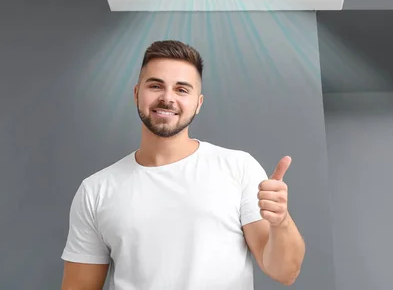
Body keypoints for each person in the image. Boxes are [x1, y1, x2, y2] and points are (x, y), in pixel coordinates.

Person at [60, 40, 305, 290]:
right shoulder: (95, 190)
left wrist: (281, 222)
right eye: (156, 85)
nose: (167, 98)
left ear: (198, 104)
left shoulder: (238, 168)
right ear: (136, 94)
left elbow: (285, 272)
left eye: (182, 89)